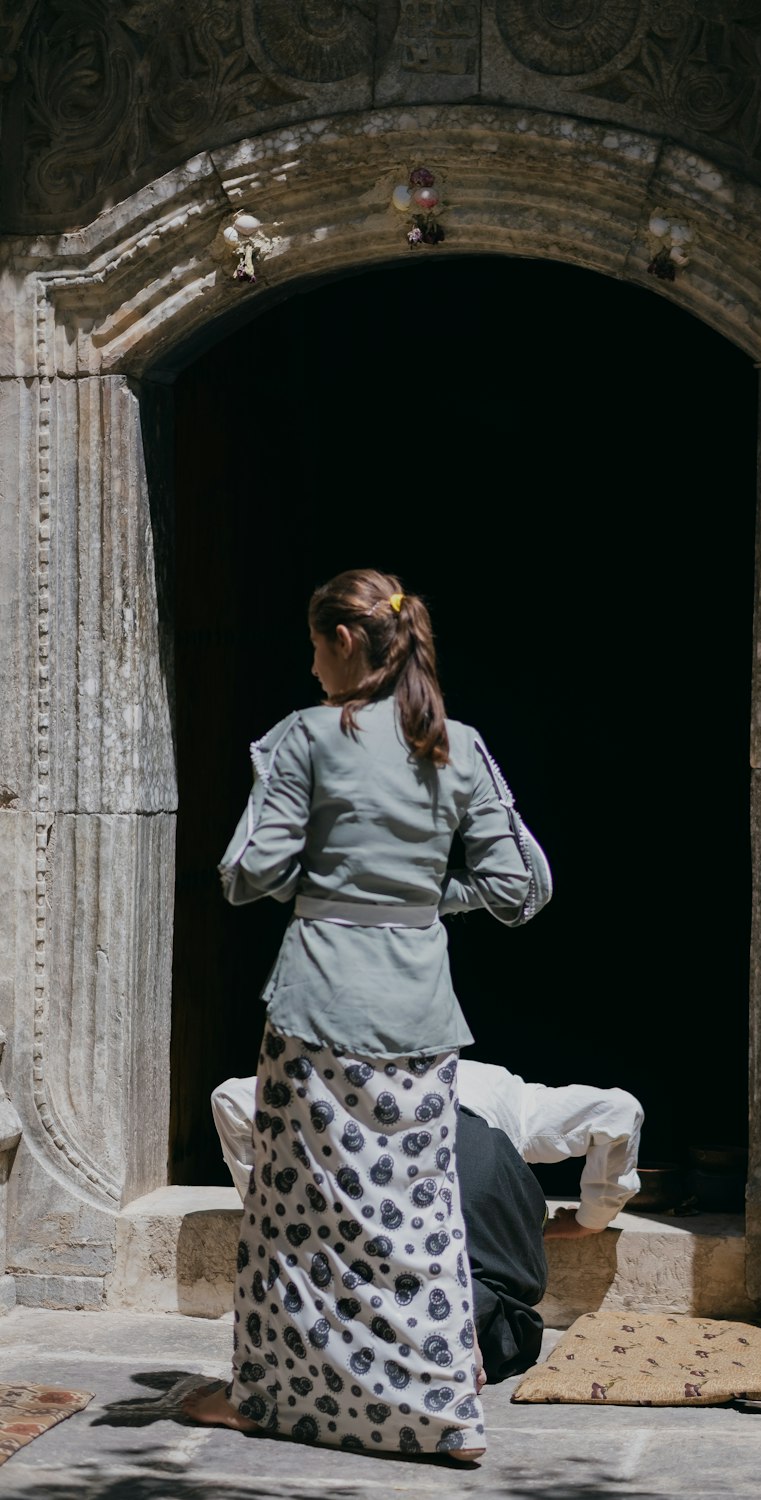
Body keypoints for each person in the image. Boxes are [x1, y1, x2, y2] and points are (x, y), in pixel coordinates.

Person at [183, 568, 546, 1463]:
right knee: (414, 1219)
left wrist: (336, 890)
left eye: (314, 648)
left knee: (296, 1220)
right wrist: (423, 898)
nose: (310, 669)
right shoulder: (457, 744)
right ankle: (444, 1414)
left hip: (317, 1008)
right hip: (422, 1013)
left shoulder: (305, 737)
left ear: (346, 641)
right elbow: (522, 888)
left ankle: (268, 1397)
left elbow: (245, 875)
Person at [211, 1060, 644, 1237]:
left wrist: (269, 1208)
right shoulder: (519, 1101)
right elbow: (619, 1111)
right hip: (462, 1177)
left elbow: (229, 1098)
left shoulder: (360, 1082)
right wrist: (592, 1220)